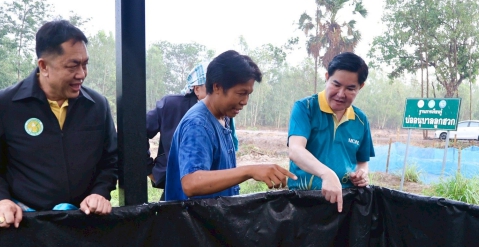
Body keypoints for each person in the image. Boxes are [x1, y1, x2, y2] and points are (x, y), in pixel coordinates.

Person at [0, 20, 118, 228]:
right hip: (25, 226)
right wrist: (1, 200)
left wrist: (100, 193)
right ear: (43, 66)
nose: (82, 74)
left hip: (84, 223)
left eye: (85, 64)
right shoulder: (3, 105)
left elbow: (110, 161)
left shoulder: (97, 105)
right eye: (73, 66)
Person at [165, 50, 294, 201]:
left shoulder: (223, 117)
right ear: (217, 87)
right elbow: (191, 183)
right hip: (193, 217)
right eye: (241, 93)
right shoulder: (198, 125)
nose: (245, 101)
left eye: (248, 94)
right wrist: (249, 171)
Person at [287, 52, 374, 213]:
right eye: (336, 84)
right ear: (327, 77)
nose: (341, 94)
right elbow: (295, 150)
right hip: (304, 203)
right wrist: (326, 174)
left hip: (344, 202)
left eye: (350, 88)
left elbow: (362, 161)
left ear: (360, 87)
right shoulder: (306, 108)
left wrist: (362, 174)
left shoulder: (360, 120)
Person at [146, 62, 207, 199]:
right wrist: (149, 169)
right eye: (211, 89)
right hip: (175, 186)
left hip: (210, 189)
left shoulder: (223, 113)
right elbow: (136, 133)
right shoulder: (171, 105)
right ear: (197, 89)